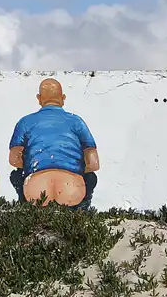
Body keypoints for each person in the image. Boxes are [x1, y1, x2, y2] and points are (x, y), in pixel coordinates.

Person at [8, 78, 100, 210]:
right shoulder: (77, 121)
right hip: (73, 194)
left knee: (16, 174)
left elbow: (14, 160)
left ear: (39, 99)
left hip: (36, 194)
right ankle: (81, 212)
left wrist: (32, 166)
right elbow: (94, 164)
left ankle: (27, 208)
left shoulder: (25, 122)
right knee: (91, 177)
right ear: (63, 98)